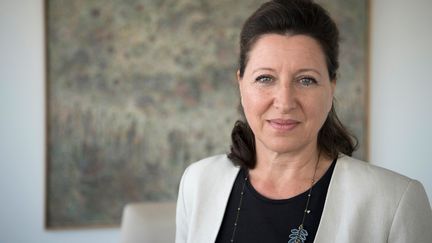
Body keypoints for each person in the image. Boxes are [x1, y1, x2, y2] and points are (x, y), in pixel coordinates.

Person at [175, 0, 432, 242]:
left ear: (331, 86)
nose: (285, 102)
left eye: (306, 80)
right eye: (265, 78)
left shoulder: (395, 201)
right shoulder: (197, 182)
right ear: (241, 83)